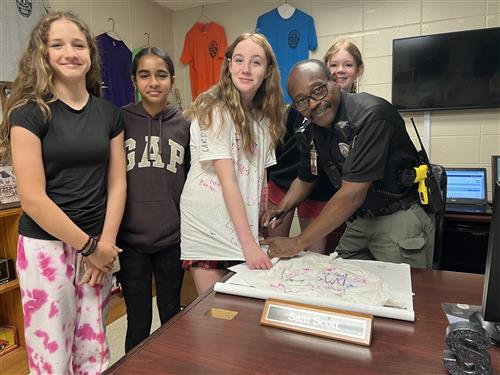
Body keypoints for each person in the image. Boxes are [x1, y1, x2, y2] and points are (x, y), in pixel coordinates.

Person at [0, 11, 126, 374]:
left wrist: (104, 246)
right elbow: (33, 199)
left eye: (77, 44)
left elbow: (117, 183)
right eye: (57, 45)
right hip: (47, 249)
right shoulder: (28, 113)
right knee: (52, 355)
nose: (69, 52)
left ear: (90, 54)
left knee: (93, 347)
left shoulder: (108, 113)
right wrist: (90, 246)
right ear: (43, 54)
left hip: (98, 248)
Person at [261, 59, 435, 269]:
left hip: (398, 218)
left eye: (318, 90)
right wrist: (280, 208)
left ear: (334, 82)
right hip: (361, 220)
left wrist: (298, 243)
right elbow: (307, 178)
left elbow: (353, 194)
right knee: (337, 282)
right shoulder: (313, 129)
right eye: (301, 101)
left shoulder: (371, 115)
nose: (313, 103)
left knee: (399, 296)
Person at [180, 33, 284, 294]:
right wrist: (249, 244)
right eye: (238, 60)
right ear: (228, 64)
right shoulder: (215, 108)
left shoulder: (262, 118)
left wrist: (261, 229)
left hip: (240, 226)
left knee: (243, 315)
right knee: (216, 315)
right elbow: (229, 180)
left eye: (256, 62)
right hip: (209, 226)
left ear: (268, 71)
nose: (245, 69)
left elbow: (259, 179)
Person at [116, 47, 189, 353]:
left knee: (172, 314)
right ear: (134, 79)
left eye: (161, 75)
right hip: (131, 241)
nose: (153, 82)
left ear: (172, 80)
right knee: (138, 320)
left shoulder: (185, 124)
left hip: (172, 239)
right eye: (144, 75)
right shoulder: (118, 120)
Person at [266, 39, 364, 253]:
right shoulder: (302, 106)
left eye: (348, 65)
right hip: (287, 181)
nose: (340, 71)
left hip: (323, 190)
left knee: (317, 254)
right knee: (273, 247)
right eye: (334, 65)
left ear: (358, 70)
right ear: (326, 72)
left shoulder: (361, 114)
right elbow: (281, 145)